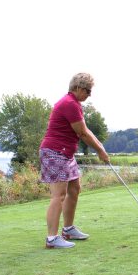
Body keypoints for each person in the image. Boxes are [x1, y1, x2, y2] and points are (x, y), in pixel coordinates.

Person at [40, 72, 110, 249]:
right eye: (87, 90)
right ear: (77, 88)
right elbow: (83, 134)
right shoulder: (70, 104)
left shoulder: (74, 104)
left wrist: (101, 147)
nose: (89, 94)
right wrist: (100, 151)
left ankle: (68, 229)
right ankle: (52, 238)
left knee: (74, 189)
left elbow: (85, 129)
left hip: (65, 154)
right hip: (55, 152)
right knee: (59, 195)